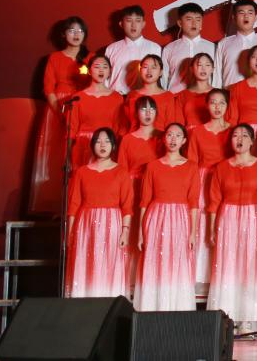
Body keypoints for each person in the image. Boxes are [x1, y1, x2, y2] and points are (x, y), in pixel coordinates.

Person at [206, 124, 257, 333]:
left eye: (244, 135)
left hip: (254, 217)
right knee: (229, 265)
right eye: (235, 135)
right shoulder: (221, 167)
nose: (240, 139)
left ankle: (249, 318)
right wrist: (212, 228)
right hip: (229, 218)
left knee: (250, 266)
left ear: (252, 141)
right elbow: (214, 200)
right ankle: (228, 318)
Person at [134, 124, 200, 311]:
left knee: (178, 261)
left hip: (181, 218)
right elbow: (144, 202)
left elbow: (194, 202)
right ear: (163, 139)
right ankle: (152, 307)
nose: (173, 139)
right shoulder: (152, 166)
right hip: (156, 218)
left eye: (178, 135)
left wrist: (193, 232)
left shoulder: (191, 167)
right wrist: (140, 232)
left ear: (184, 141)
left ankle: (177, 308)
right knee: (156, 260)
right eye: (169, 135)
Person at [31, 17, 91, 214]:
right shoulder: (54, 58)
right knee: (57, 155)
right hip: (58, 109)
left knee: (79, 154)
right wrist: (59, 111)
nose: (76, 34)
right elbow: (48, 88)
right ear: (64, 34)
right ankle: (57, 205)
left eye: (80, 31)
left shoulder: (89, 58)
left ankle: (78, 203)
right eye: (72, 30)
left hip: (82, 108)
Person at [65, 128, 132, 298]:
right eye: (98, 141)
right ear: (92, 145)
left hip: (112, 223)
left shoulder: (121, 172)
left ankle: (110, 302)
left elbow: (127, 205)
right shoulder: (82, 172)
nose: (103, 145)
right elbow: (73, 204)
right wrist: (70, 232)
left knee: (109, 261)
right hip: (86, 224)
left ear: (113, 146)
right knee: (86, 262)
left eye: (107, 141)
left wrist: (125, 230)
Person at [187, 88, 232, 294]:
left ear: (227, 106)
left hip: (227, 178)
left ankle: (221, 275)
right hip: (204, 179)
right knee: (204, 222)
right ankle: (201, 277)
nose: (217, 107)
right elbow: (192, 163)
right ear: (207, 106)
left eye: (221, 103)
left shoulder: (233, 131)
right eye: (213, 102)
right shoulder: (197, 131)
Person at [104, 5, 162, 94]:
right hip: (116, 96)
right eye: (129, 20)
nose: (133, 25)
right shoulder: (111, 49)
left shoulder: (154, 48)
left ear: (143, 24)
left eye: (138, 21)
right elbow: (105, 78)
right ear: (121, 24)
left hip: (145, 97)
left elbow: (160, 77)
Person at [214, 0, 257, 88]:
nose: (246, 16)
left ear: (256, 17)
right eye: (241, 13)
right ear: (234, 17)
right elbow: (217, 75)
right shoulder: (224, 44)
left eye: (250, 13)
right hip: (229, 93)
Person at [162, 3, 216, 94]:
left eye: (198, 19)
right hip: (176, 97)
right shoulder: (169, 48)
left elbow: (217, 78)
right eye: (189, 19)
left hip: (205, 98)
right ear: (180, 23)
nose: (194, 23)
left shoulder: (212, 48)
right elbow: (163, 78)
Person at [122, 55, 177, 132]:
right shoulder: (132, 95)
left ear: (161, 72)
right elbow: (125, 124)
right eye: (145, 67)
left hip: (160, 137)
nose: (149, 71)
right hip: (134, 137)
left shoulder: (168, 96)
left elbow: (170, 125)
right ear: (140, 70)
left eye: (153, 68)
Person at [175, 53, 216, 127]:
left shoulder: (220, 95)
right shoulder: (181, 96)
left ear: (212, 69)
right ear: (191, 69)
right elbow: (179, 126)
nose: (203, 69)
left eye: (207, 65)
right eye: (199, 65)